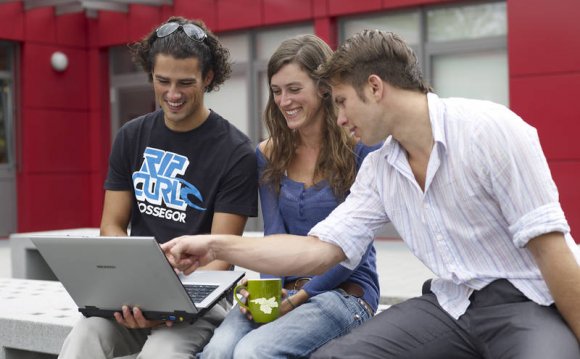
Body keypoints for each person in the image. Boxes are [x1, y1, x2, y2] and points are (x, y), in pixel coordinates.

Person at [162, 29, 580, 358]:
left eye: (342, 102)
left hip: (525, 301)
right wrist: (216, 245)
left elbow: (551, 251)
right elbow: (318, 250)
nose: (339, 118)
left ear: (375, 88)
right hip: (450, 305)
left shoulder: (489, 129)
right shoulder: (381, 170)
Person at [58, 16, 258, 359]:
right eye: (162, 81)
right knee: (84, 338)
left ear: (208, 78)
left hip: (200, 302)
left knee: (161, 354)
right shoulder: (131, 136)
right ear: (150, 74)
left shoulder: (235, 152)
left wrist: (166, 301)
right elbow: (112, 225)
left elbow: (222, 256)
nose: (173, 94)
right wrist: (135, 289)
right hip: (135, 295)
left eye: (185, 83)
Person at [198, 34, 381, 359]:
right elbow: (274, 237)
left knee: (254, 352)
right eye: (277, 91)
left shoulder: (359, 149)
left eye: (294, 89)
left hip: (346, 292)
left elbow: (352, 249)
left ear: (324, 88)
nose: (284, 101)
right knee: (219, 350)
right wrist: (269, 297)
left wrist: (298, 297)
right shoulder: (268, 154)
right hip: (286, 289)